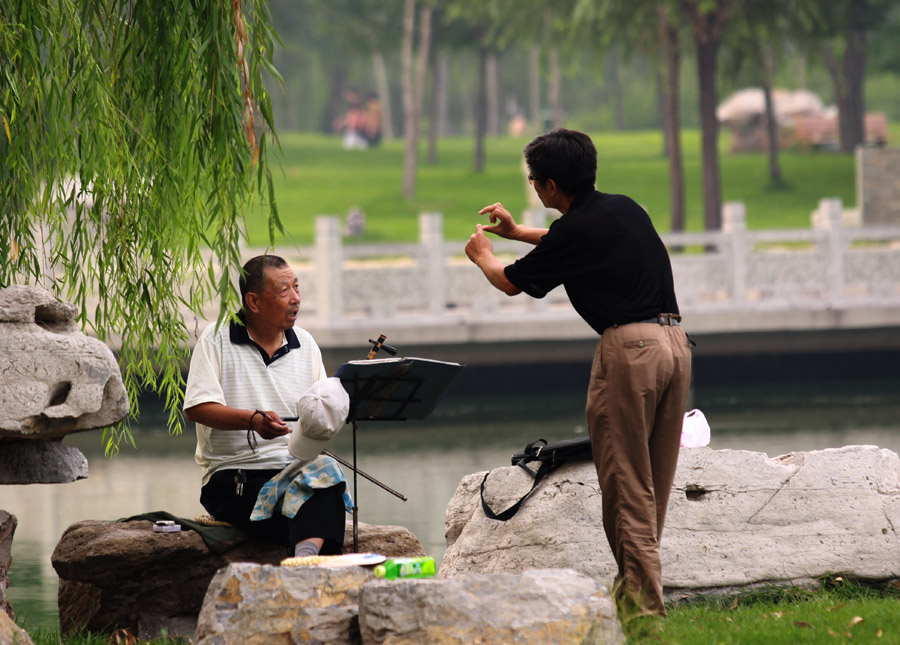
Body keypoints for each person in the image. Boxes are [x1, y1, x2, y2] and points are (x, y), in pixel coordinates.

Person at [464, 128, 692, 617]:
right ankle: (632, 595)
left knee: (626, 482)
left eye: (533, 181)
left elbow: (510, 282)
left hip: (630, 350)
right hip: (675, 343)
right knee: (653, 483)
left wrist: (484, 255)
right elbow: (568, 241)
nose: (533, 188)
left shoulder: (575, 230)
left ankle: (646, 613)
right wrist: (518, 233)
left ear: (549, 186)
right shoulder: (624, 207)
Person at [183, 254, 349, 558]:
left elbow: (321, 411)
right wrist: (253, 420)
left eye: (297, 288)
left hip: (295, 467)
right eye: (285, 291)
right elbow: (197, 407)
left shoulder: (306, 344)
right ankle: (310, 561)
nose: (296, 298)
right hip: (234, 478)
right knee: (317, 495)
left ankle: (305, 560)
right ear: (254, 302)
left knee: (327, 479)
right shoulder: (216, 338)